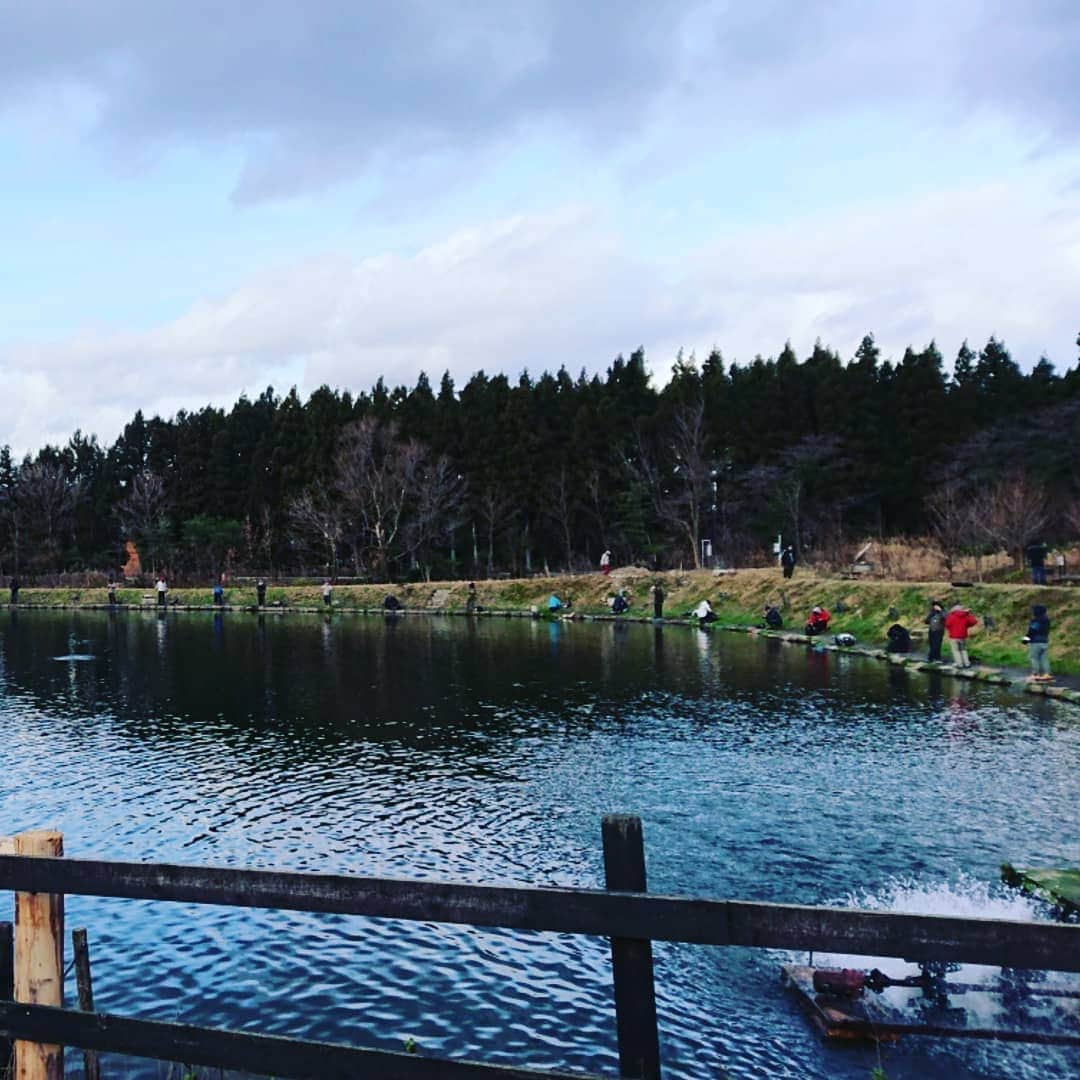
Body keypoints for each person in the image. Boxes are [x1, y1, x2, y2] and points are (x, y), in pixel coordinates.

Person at [944, 604, 978, 668]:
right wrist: (968, 614)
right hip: (963, 636)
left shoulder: (951, 616)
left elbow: (947, 625)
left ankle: (959, 664)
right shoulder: (966, 615)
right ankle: (967, 664)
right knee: (963, 650)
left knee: (956, 651)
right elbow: (974, 622)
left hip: (953, 636)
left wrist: (950, 629)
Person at [1024, 604, 1052, 681]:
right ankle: (1047, 674)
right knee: (1044, 658)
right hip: (1044, 641)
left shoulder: (1036, 620)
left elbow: (1032, 630)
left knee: (1034, 658)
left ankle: (1035, 674)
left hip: (1035, 642)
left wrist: (1025, 639)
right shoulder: (1047, 620)